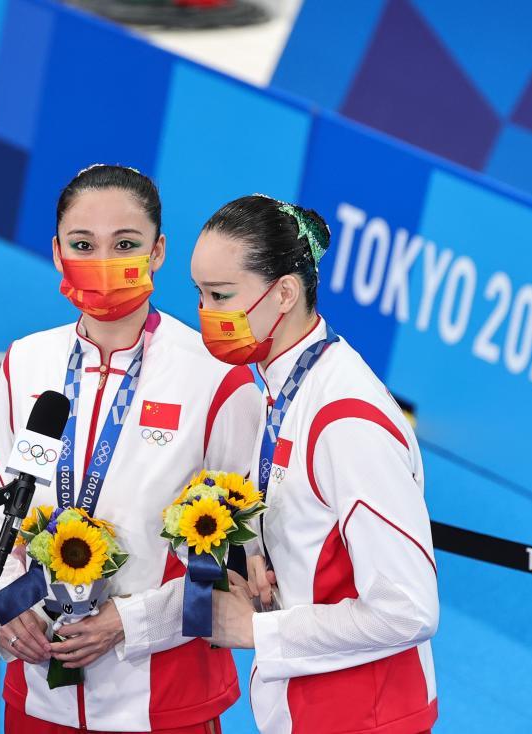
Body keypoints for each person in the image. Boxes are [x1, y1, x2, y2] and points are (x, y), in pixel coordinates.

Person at [0, 165, 261, 733]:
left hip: (166, 699)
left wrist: (132, 622)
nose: (103, 261)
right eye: (83, 245)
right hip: (39, 692)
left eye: (125, 244)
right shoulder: (26, 362)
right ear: (58, 253)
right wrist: (10, 606)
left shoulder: (216, 379)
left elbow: (240, 557)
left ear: (158, 252)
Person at [190, 195, 439, 734]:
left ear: (285, 293)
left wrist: (258, 631)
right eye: (200, 295)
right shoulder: (283, 384)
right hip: (310, 706)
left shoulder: (346, 420)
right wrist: (254, 557)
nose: (206, 314)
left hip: (361, 717)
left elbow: (409, 609)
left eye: (221, 295)